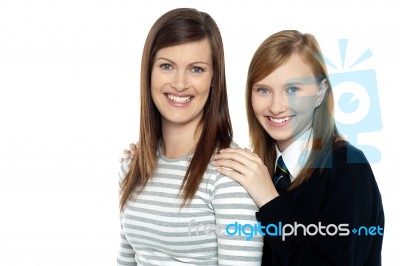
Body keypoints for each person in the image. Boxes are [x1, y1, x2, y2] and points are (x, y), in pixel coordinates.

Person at [212, 30, 384, 265]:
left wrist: (269, 200)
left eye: (293, 90)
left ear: (320, 92)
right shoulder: (261, 170)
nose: (276, 106)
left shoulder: (348, 168)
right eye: (263, 90)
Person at [117, 8, 263, 266]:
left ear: (213, 79)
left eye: (196, 69)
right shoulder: (133, 165)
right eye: (166, 66)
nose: (180, 83)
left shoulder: (229, 174)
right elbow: (126, 260)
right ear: (148, 72)